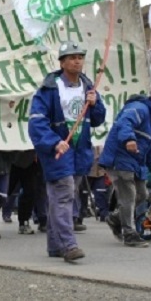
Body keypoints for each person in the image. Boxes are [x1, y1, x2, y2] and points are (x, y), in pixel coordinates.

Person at [28, 41, 106, 263]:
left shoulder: (88, 88)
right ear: (62, 62)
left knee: (62, 197)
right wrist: (54, 142)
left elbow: (98, 119)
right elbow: (36, 123)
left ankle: (55, 245)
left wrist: (95, 103)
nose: (77, 60)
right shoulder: (48, 90)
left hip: (80, 151)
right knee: (63, 195)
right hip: (58, 152)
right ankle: (68, 245)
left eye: (80, 57)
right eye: (72, 57)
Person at [99, 95, 151, 247]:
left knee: (143, 194)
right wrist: (129, 139)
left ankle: (115, 219)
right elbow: (124, 122)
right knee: (128, 195)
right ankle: (129, 234)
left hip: (136, 164)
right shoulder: (139, 109)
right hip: (119, 159)